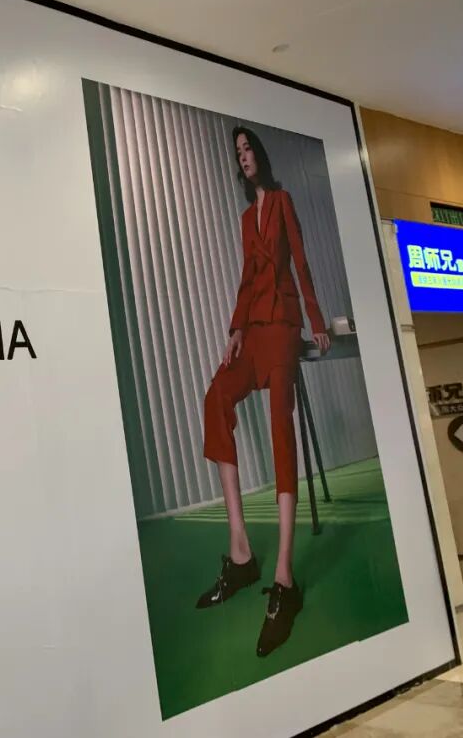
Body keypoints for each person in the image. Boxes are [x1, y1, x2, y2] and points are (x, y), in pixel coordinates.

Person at [196, 126, 330, 658]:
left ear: (261, 156)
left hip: (283, 327)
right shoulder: (244, 217)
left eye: (248, 148)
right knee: (216, 397)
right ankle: (241, 553)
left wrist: (315, 320)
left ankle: (284, 579)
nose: (244, 156)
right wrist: (234, 330)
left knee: (279, 427)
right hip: (252, 331)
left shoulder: (282, 200)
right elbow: (247, 277)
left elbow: (300, 260)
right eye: (238, 152)